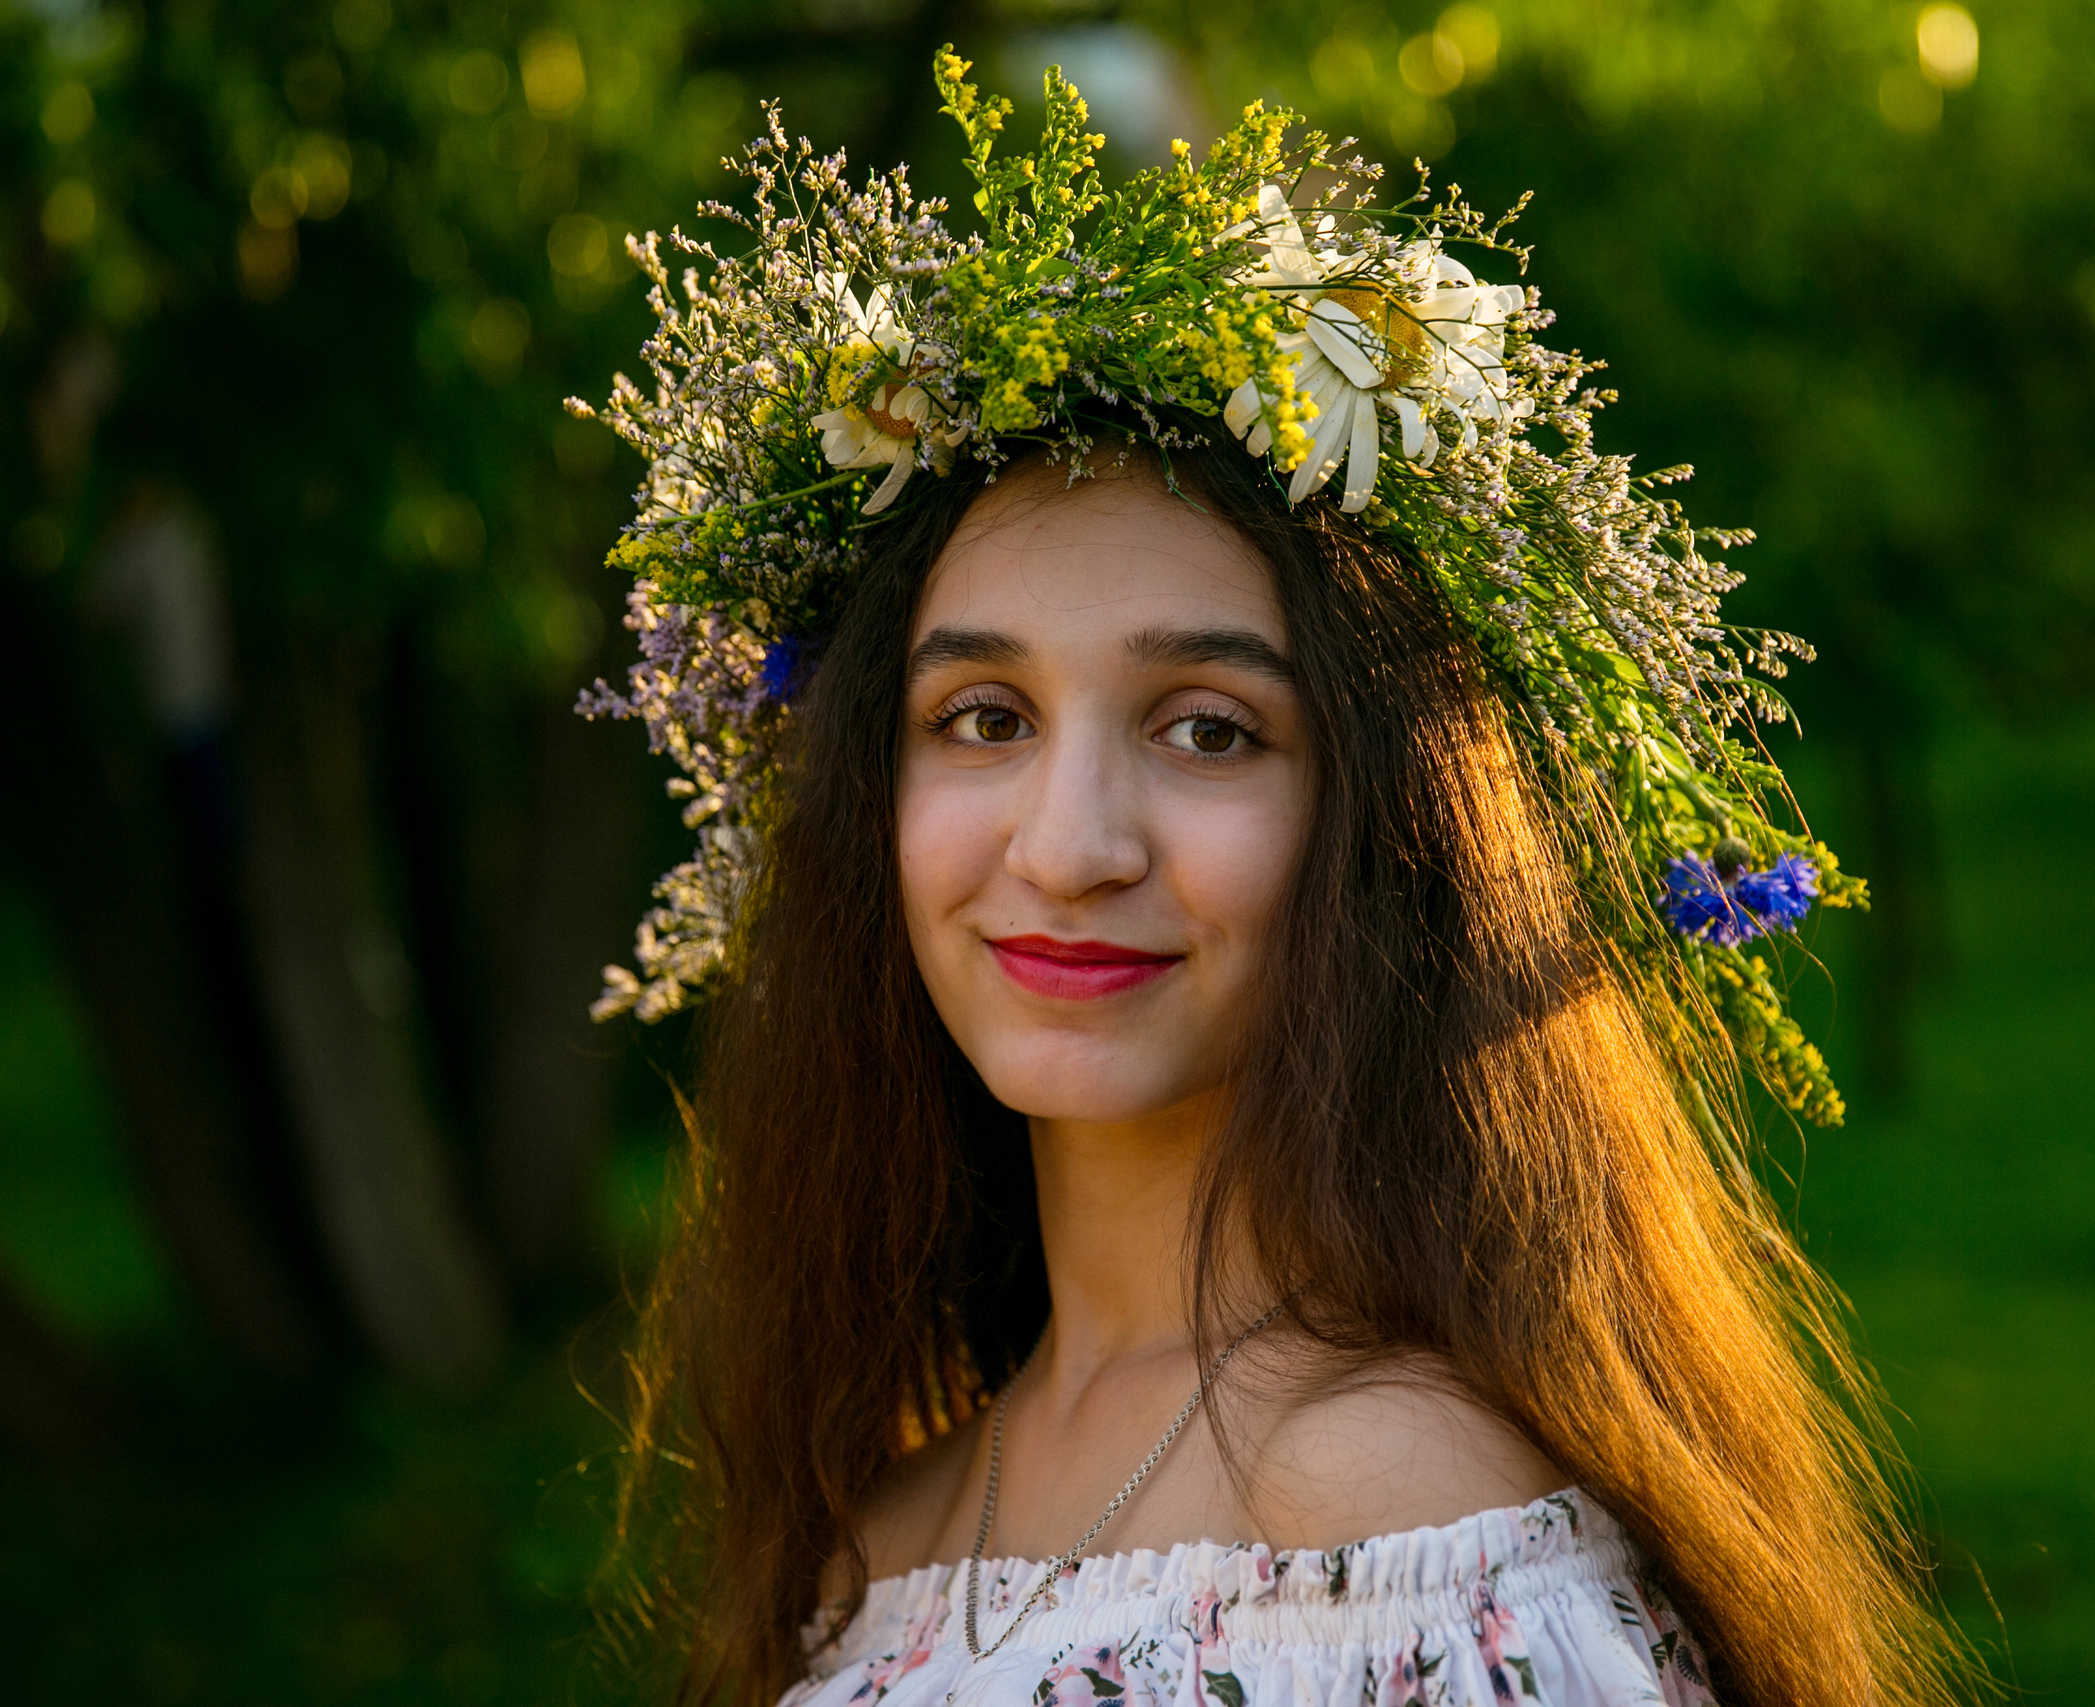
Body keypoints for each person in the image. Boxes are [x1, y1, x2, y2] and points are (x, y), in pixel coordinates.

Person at [584, 52, 1965, 1707]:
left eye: (1210, 730)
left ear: (1387, 821)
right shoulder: (871, 1531)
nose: (1069, 847)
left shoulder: (1384, 1523)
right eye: (985, 718)